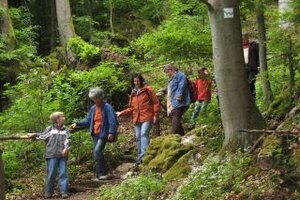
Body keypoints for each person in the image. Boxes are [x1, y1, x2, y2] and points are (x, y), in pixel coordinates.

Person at [70, 87, 118, 180]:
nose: (95, 100)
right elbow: (88, 120)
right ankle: (99, 175)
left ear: (101, 97)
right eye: (93, 99)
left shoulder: (107, 107)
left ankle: (103, 173)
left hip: (104, 133)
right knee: (96, 153)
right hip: (95, 134)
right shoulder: (93, 108)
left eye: (96, 98)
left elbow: (113, 121)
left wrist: (111, 132)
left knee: (97, 151)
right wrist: (77, 123)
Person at [116, 74, 160, 164]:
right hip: (136, 118)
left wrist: (156, 115)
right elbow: (132, 108)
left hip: (147, 116)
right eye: (135, 81)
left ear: (141, 80)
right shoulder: (133, 93)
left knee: (144, 134)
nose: (136, 83)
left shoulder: (148, 89)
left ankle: (145, 156)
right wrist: (121, 113)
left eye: (138, 81)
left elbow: (156, 102)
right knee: (138, 137)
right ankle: (140, 157)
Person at [28, 112, 71, 199]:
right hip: (51, 155)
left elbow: (69, 140)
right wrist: (34, 135)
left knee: (63, 173)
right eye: (62, 116)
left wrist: (66, 148)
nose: (64, 118)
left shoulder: (65, 130)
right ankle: (48, 192)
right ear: (57, 119)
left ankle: (64, 192)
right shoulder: (50, 129)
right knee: (51, 174)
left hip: (62, 155)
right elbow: (43, 136)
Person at [164, 63, 190, 136]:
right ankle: (182, 135)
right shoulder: (171, 78)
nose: (167, 74)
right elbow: (171, 89)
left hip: (180, 100)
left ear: (170, 70)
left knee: (175, 115)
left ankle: (173, 135)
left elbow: (182, 85)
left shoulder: (181, 75)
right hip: (174, 101)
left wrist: (179, 95)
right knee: (172, 115)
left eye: (167, 72)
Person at [242, 32, 259, 98]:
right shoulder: (238, 46)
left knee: (251, 82)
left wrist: (258, 65)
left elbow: (258, 55)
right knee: (244, 84)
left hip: (253, 67)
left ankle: (253, 98)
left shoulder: (254, 45)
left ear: (247, 37)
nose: (242, 40)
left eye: (243, 38)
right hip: (243, 68)